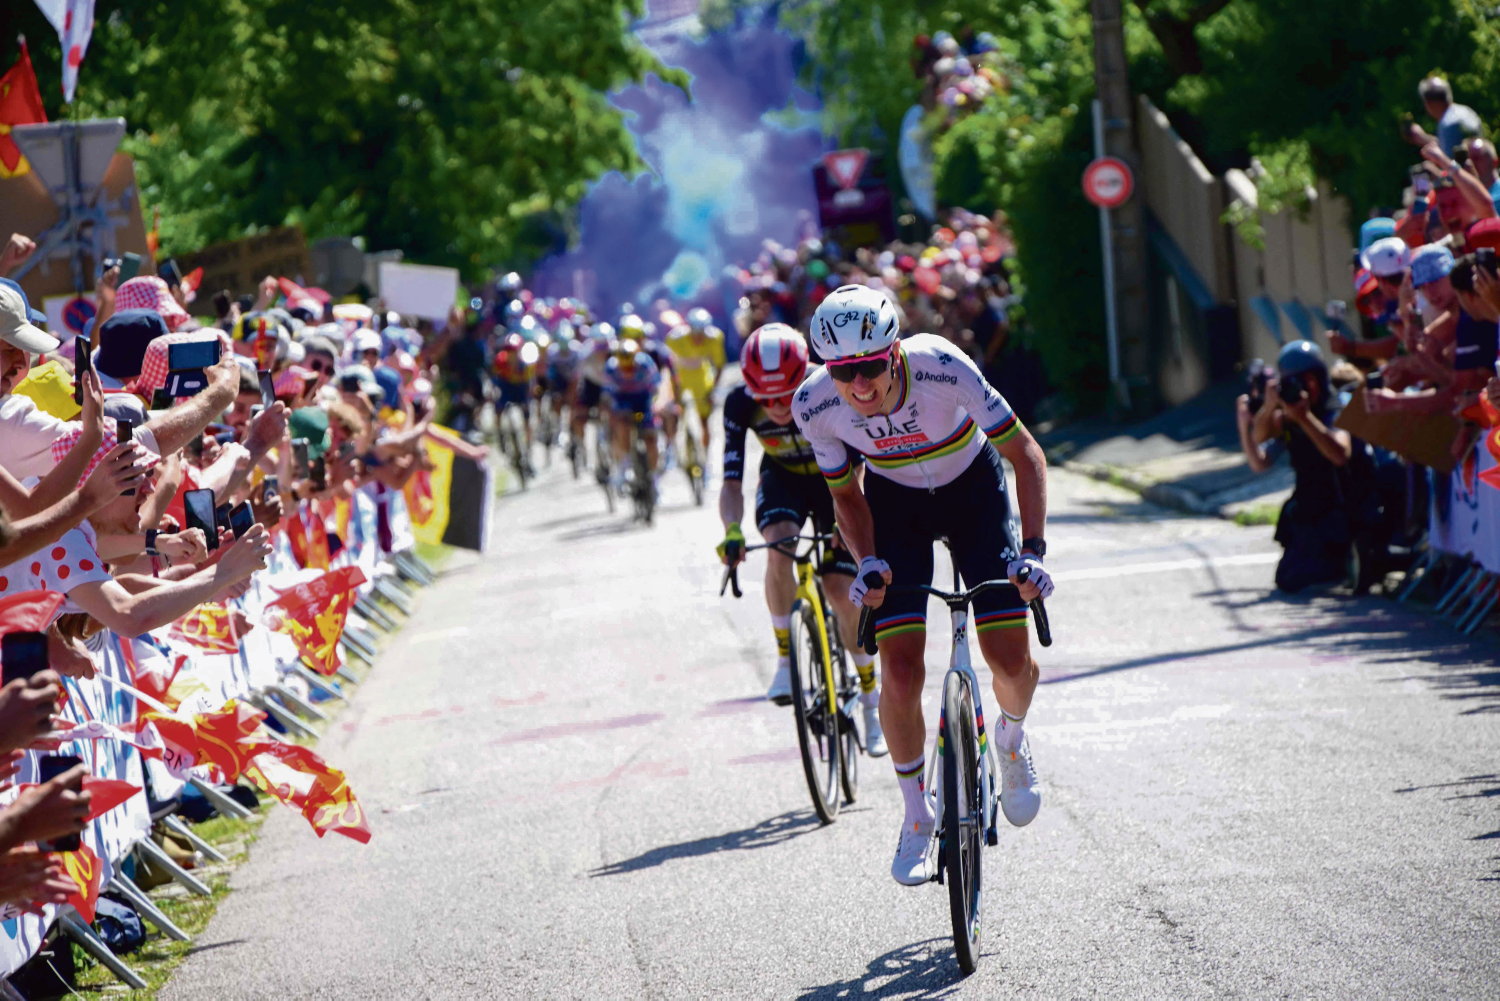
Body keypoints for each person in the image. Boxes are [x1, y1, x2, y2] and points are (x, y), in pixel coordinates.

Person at [793, 284, 1053, 885]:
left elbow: (1026, 454)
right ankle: (916, 814)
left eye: (868, 367)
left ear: (895, 352)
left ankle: (1010, 741)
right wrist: (865, 563)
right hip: (897, 507)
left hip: (973, 495)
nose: (858, 386)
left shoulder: (941, 366)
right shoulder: (814, 405)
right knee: (902, 669)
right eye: (842, 371)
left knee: (1010, 660)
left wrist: (1034, 551)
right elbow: (846, 497)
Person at [716, 324, 886, 754]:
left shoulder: (828, 387)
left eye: (784, 396)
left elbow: (862, 461)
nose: (774, 407)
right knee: (777, 547)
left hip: (840, 481)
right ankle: (785, 658)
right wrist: (732, 531)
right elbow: (732, 481)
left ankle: (870, 698)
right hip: (785, 480)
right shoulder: (739, 403)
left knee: (839, 589)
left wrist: (842, 527)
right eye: (765, 398)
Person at [1252, 341, 1359, 593]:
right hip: (1308, 507)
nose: (1304, 387)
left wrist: (1305, 418)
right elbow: (1259, 437)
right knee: (1288, 577)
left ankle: (1345, 560)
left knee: (1304, 576)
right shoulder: (1287, 413)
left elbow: (1340, 455)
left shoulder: (1334, 408)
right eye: (1296, 380)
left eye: (1308, 379)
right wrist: (1269, 407)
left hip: (1340, 506)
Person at [601, 339, 661, 498]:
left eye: (630, 367)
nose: (628, 371)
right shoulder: (611, 367)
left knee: (651, 438)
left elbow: (656, 388)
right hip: (622, 400)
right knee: (621, 426)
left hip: (643, 400)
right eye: (624, 367)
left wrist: (655, 408)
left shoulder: (645, 364)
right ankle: (624, 465)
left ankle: (655, 480)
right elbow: (607, 394)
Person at [666, 308, 727, 455]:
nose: (699, 338)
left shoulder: (715, 338)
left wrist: (714, 389)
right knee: (674, 412)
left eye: (702, 334)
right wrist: (672, 392)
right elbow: (668, 366)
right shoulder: (674, 338)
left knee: (704, 419)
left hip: (701, 376)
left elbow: (719, 366)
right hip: (679, 376)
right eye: (696, 333)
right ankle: (672, 449)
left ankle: (707, 454)